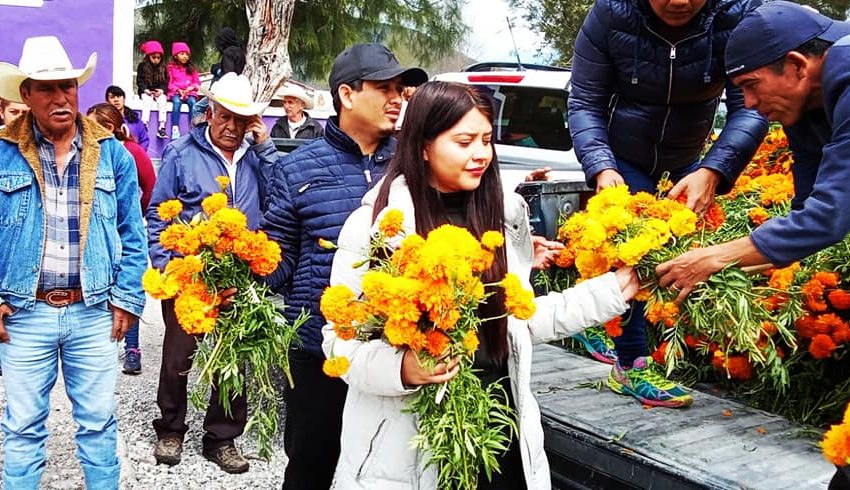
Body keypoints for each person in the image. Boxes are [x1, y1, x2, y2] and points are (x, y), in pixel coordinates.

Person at [323, 81, 639, 489]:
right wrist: (403, 369)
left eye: (487, 140)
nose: (480, 154)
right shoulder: (377, 228)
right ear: (423, 146)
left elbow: (519, 320)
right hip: (410, 444)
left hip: (497, 430)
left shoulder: (502, 217)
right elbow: (339, 342)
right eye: (464, 141)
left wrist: (612, 291)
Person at [651, 7, 850, 486]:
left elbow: (830, 215)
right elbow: (809, 209)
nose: (751, 104)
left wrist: (715, 257)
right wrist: (723, 267)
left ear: (797, 66)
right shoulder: (808, 100)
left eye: (751, 86)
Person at [567, 0, 769, 408]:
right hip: (622, 156)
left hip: (690, 160)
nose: (679, 2)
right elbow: (585, 101)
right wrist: (602, 168)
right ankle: (631, 365)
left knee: (687, 254)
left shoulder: (736, 14)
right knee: (635, 254)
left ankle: (599, 317)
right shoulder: (611, 12)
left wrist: (714, 170)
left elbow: (752, 105)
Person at [262, 43, 427, 489]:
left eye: (401, 90)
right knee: (311, 466)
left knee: (391, 472)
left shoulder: (415, 164)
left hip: (397, 353)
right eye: (384, 88)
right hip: (321, 352)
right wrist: (239, 272)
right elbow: (281, 256)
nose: (396, 99)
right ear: (347, 94)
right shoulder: (296, 169)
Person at [0, 35, 147, 489]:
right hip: (24, 313)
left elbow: (134, 233)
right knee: (22, 428)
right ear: (26, 94)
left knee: (99, 425)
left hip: (93, 311)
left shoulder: (112, 153)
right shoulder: (3, 153)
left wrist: (127, 297)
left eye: (67, 86)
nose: (60, 97)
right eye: (46, 88)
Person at [146, 72, 277, 474]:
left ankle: (221, 437)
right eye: (225, 117)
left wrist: (266, 147)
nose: (232, 127)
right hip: (191, 276)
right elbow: (158, 213)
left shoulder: (256, 156)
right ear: (210, 112)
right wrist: (166, 266)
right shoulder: (181, 153)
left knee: (233, 357)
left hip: (239, 276)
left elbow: (280, 196)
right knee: (178, 357)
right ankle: (171, 428)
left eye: (241, 120)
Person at [86, 102, 156, 375]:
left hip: (121, 232)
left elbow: (150, 186)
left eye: (92, 125)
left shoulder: (130, 153)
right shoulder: (85, 153)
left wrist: (137, 215)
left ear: (108, 127)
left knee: (127, 287)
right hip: (98, 237)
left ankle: (132, 348)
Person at [192, 27, 247, 126]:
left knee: (198, 108)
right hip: (234, 90)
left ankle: (198, 130)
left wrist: (216, 70)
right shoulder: (240, 52)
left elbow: (228, 73)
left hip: (221, 92)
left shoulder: (228, 53)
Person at [137, 40, 169, 139]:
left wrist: (161, 90)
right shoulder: (142, 67)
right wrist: (145, 90)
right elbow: (140, 81)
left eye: (158, 58)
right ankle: (144, 123)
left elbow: (165, 82)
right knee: (147, 102)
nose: (156, 60)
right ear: (148, 57)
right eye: (153, 57)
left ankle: (162, 126)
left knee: (163, 101)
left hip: (158, 91)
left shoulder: (163, 68)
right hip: (146, 91)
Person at [166, 41, 199, 139]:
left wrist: (190, 88)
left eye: (187, 54)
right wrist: (178, 90)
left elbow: (197, 82)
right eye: (182, 54)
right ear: (175, 56)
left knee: (193, 103)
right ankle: (175, 128)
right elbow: (169, 83)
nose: (185, 56)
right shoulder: (171, 68)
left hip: (189, 92)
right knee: (176, 102)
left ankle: (193, 128)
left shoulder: (192, 68)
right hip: (176, 92)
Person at [105, 85, 150, 151]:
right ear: (107, 101)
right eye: (112, 97)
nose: (116, 100)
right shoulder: (105, 120)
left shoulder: (134, 120)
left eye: (119, 96)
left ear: (124, 99)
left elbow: (144, 140)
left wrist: (137, 154)